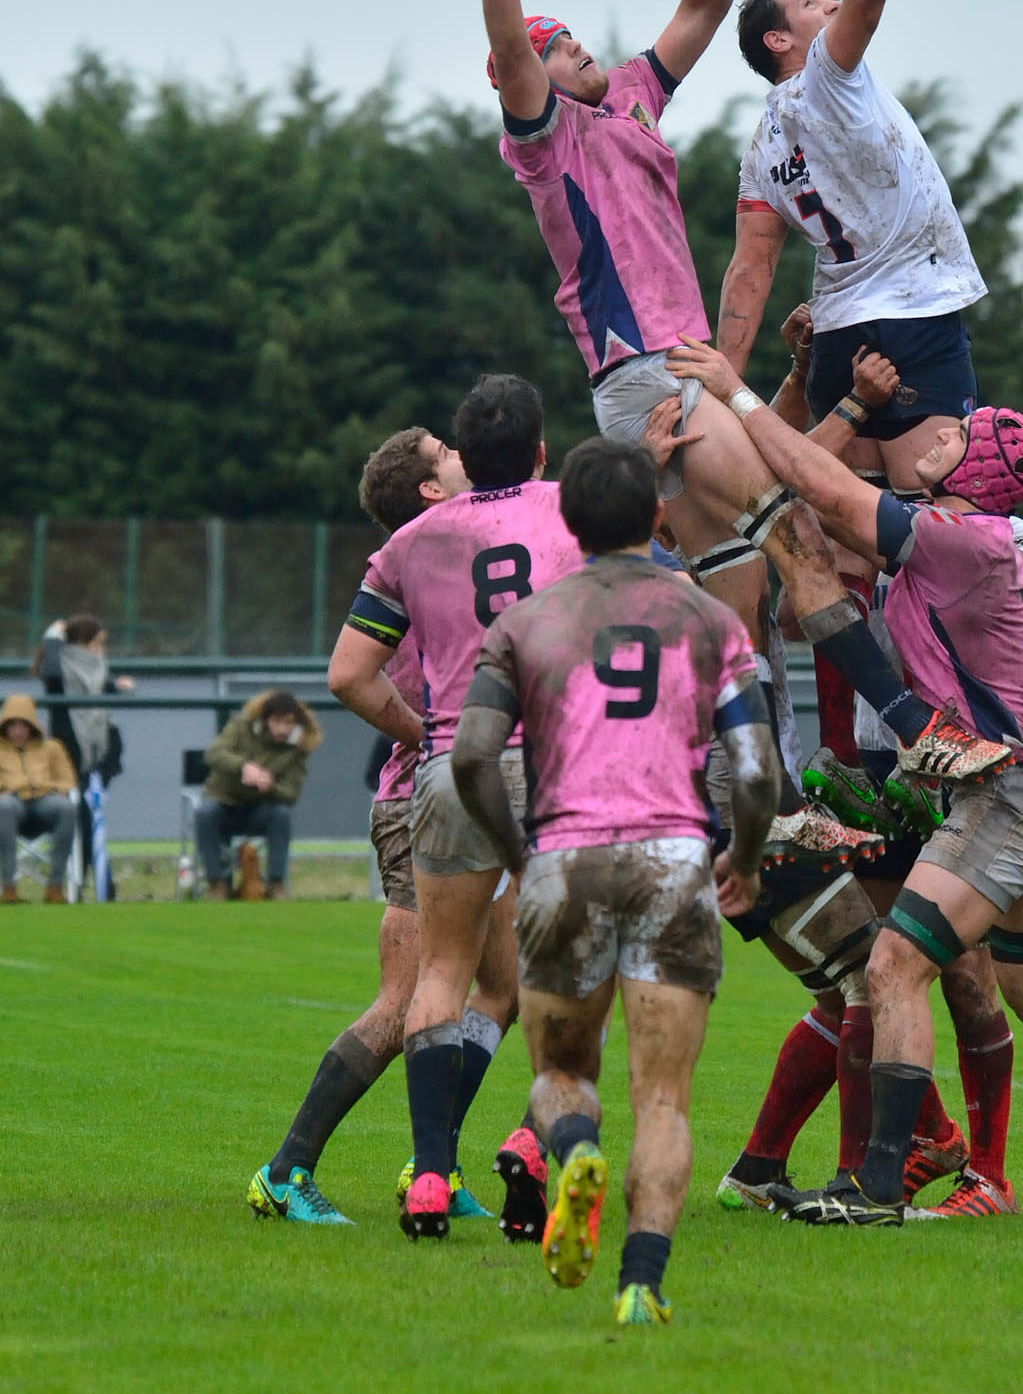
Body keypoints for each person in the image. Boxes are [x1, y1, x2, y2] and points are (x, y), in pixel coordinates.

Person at [453, 0, 1007, 797]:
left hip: (681, 368)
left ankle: (769, 802)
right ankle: (917, 729)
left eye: (572, 39)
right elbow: (508, 44)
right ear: (521, 79)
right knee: (793, 533)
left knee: (746, 599)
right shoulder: (543, 145)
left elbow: (701, 11)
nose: (576, 48)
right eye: (555, 49)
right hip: (643, 374)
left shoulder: (627, 100)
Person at [663, 338, 1023, 1225]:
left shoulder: (952, 537)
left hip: (1006, 800)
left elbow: (821, 491)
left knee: (893, 965)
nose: (936, 438)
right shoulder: (960, 535)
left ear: (975, 468)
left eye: (955, 438)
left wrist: (734, 393)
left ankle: (873, 1187)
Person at [450, 436, 780, 1326]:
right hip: (673, 858)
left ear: (568, 521)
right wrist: (741, 861)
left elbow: (474, 756)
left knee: (560, 1071)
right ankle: (642, 1282)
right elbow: (755, 773)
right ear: (658, 518)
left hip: (564, 856)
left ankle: (576, 1152)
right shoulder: (712, 622)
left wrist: (521, 856)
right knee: (664, 1095)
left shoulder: (523, 623)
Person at [327, 373, 586, 1240]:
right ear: (543, 452)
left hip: (452, 766)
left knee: (442, 974)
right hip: (555, 766)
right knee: (564, 973)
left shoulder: (407, 543)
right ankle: (533, 1139)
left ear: (466, 459)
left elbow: (346, 677)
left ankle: (431, 1175)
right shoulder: (570, 507)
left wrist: (422, 734)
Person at [249, 422, 513, 1227]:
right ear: (432, 488)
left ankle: (430, 1163)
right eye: (448, 453)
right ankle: (285, 1172)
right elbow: (350, 678)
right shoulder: (417, 560)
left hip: (472, 795)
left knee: (503, 988)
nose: (464, 455)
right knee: (405, 1003)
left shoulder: (459, 547)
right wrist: (429, 738)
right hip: (419, 802)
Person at [721, 0, 986, 489]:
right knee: (938, 520)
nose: (832, 4)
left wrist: (722, 385)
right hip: (914, 324)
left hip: (841, 340)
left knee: (848, 549)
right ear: (781, 41)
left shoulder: (760, 150)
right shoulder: (826, 78)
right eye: (812, 3)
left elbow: (750, 270)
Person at [34, 615, 134, 900]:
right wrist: (52, 636)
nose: (102, 650)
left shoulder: (98, 671)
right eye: (98, 643)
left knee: (91, 820)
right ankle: (92, 885)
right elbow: (52, 672)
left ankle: (90, 885)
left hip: (100, 758)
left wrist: (119, 686)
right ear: (82, 643)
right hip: (69, 760)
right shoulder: (59, 669)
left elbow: (99, 689)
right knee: (83, 822)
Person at [196, 691, 321, 899]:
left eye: (289, 723)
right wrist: (243, 767)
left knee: (281, 815)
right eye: (277, 721)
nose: (283, 729)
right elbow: (214, 753)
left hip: (260, 809)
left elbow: (291, 794)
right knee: (204, 813)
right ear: (266, 720)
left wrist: (270, 785)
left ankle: (276, 883)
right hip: (224, 802)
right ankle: (217, 883)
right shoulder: (241, 726)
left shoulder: (299, 748)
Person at [0, 694, 79, 904]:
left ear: (32, 726)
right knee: (4, 806)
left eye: (23, 726)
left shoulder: (52, 747)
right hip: (11, 806)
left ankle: (55, 887)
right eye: (13, 726)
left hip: (44, 804)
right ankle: (9, 887)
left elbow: (67, 781)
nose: (18, 731)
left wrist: (48, 788)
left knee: (67, 807)